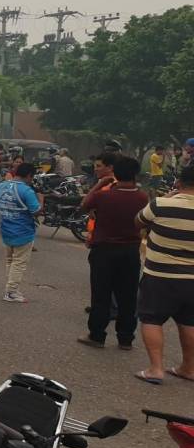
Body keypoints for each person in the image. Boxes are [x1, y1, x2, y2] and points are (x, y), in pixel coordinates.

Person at [74, 156, 147, 350]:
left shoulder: (103, 196)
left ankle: (97, 335)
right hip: (130, 251)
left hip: (104, 250)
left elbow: (85, 204)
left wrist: (100, 184)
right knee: (128, 296)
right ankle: (125, 338)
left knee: (101, 295)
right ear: (135, 174)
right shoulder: (143, 197)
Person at [134, 163, 194, 384]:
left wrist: (169, 197)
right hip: (192, 278)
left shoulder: (161, 204)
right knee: (189, 322)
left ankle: (155, 369)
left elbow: (138, 221)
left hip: (159, 274)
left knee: (151, 319)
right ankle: (188, 368)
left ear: (179, 182)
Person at [0, 162, 42, 303]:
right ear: (29, 175)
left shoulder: (0, 186)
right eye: (32, 178)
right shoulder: (27, 191)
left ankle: (11, 288)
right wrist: (42, 200)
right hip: (23, 232)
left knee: (10, 261)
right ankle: (11, 292)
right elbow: (36, 211)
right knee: (19, 263)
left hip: (6, 230)